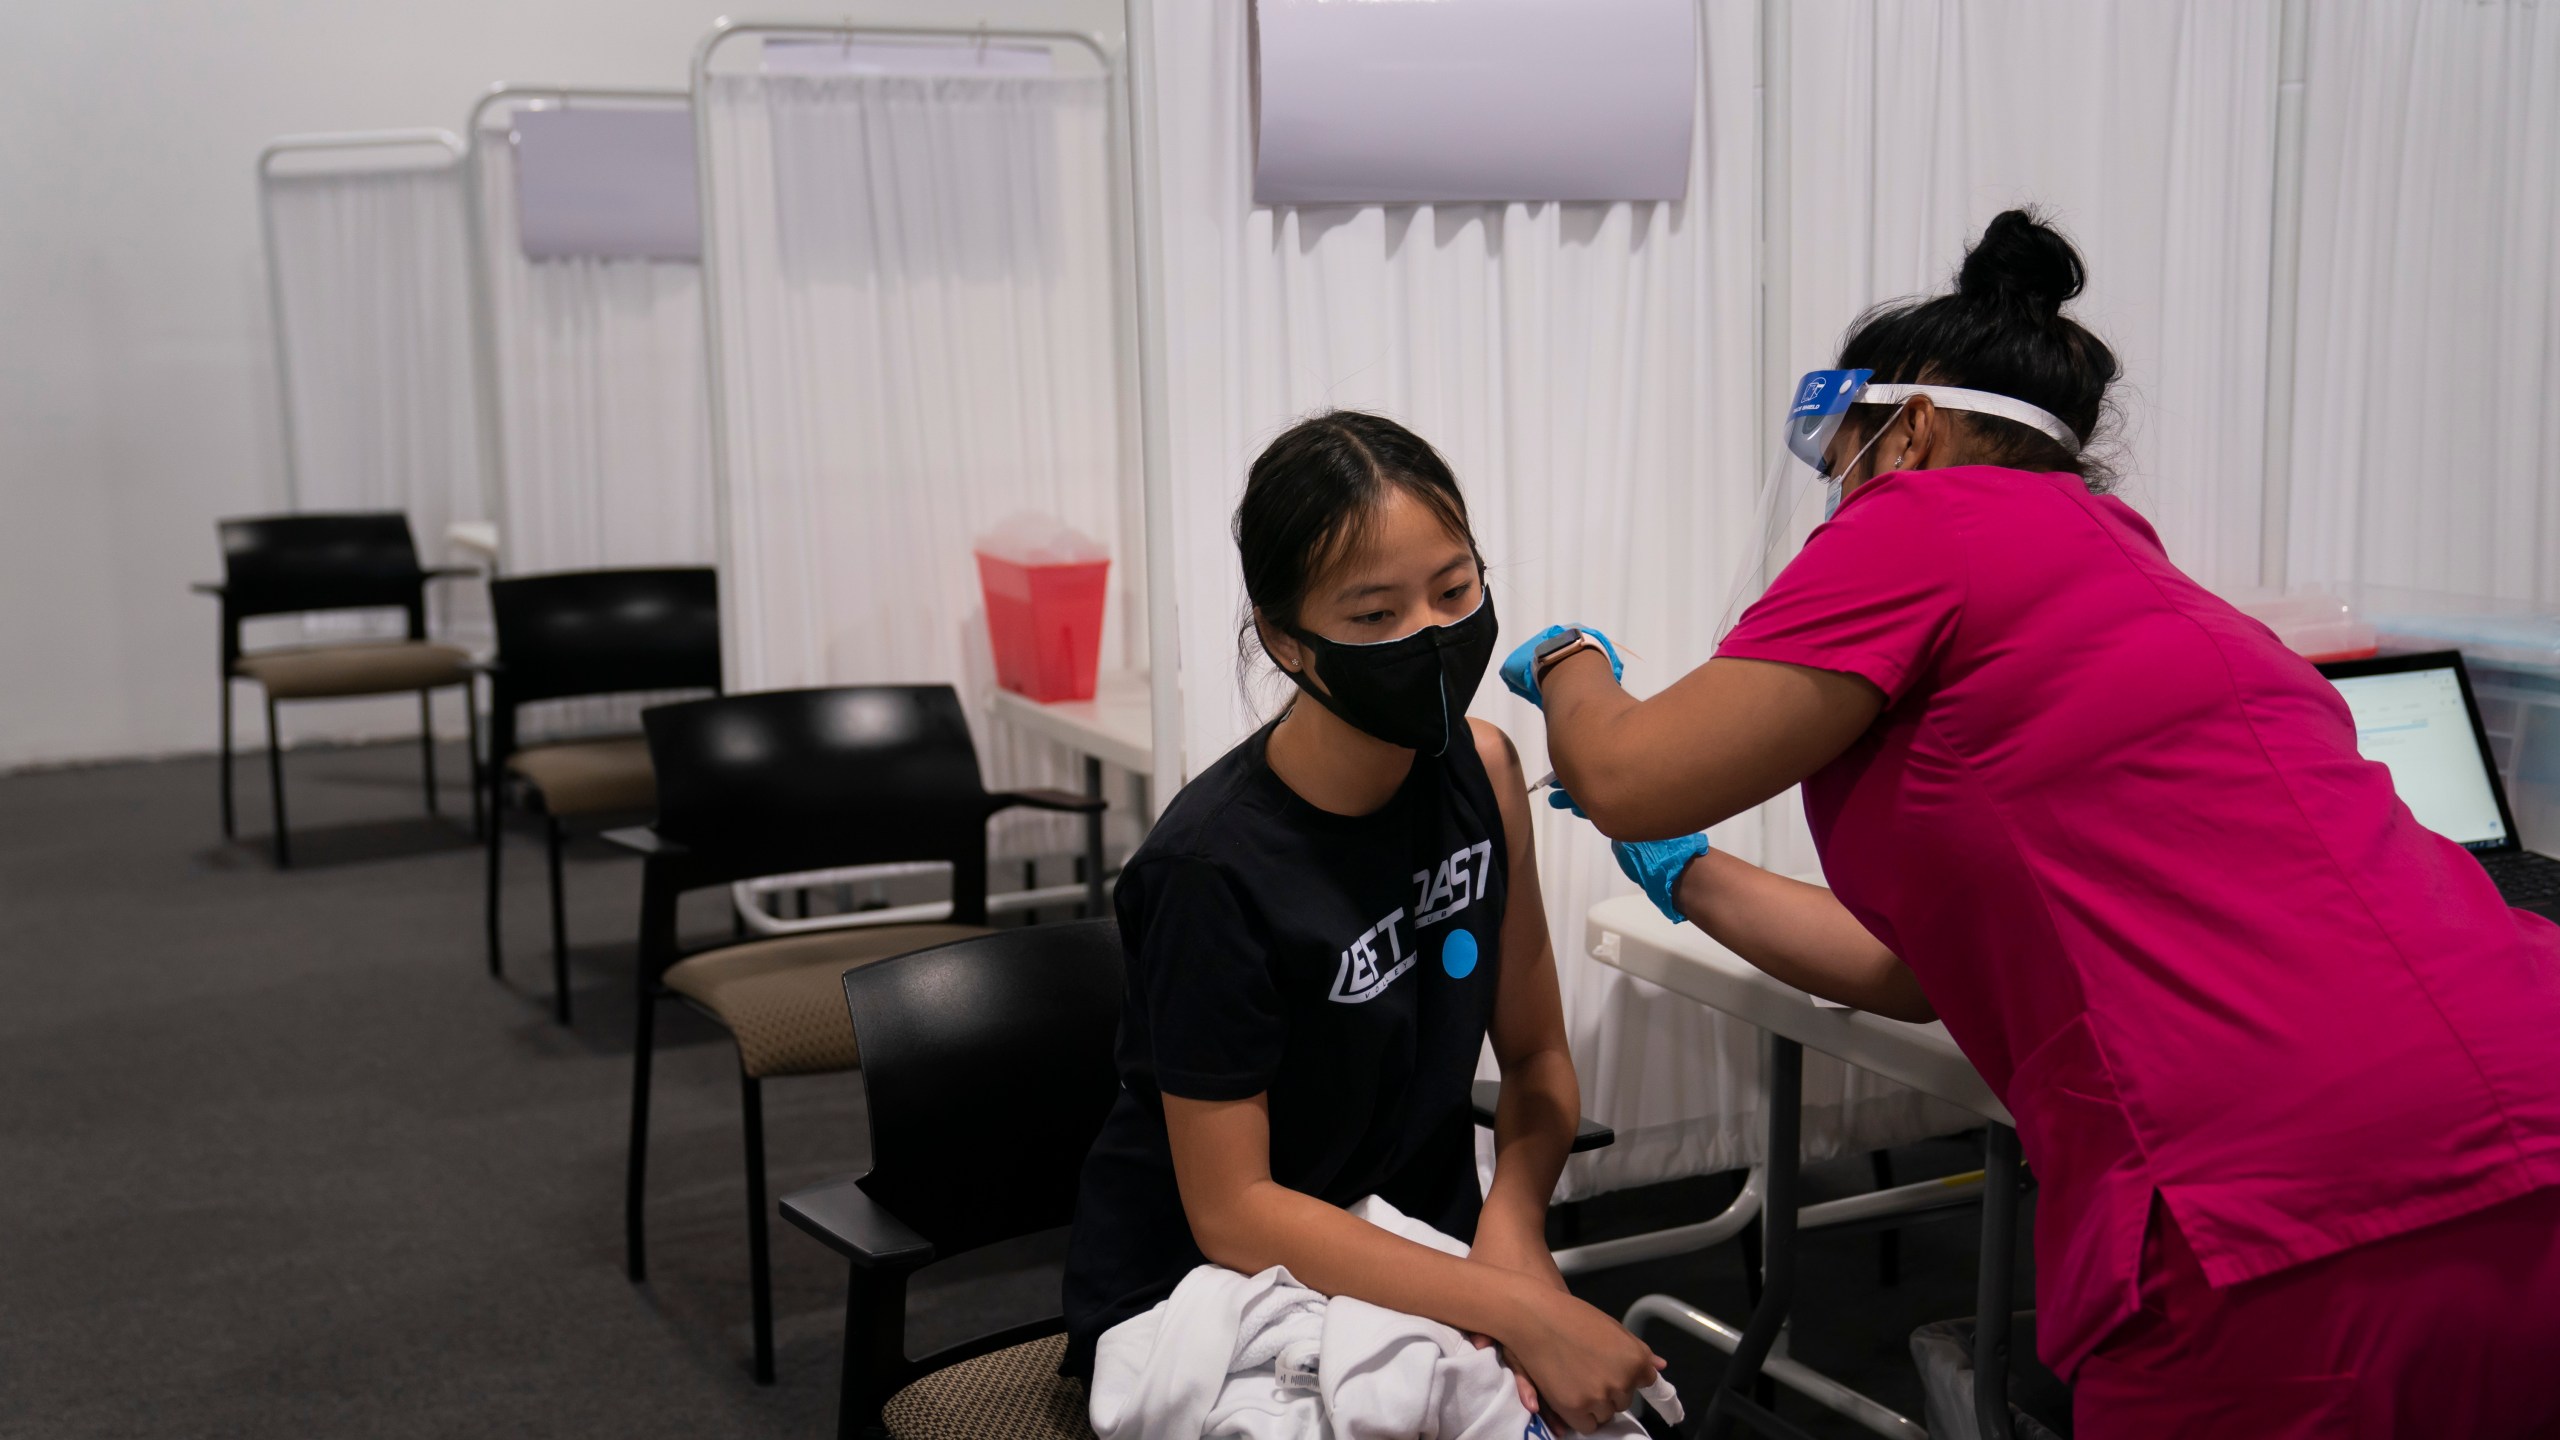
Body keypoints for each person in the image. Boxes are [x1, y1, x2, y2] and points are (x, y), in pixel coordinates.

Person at [1509, 211, 2560, 1437]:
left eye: (1836, 461)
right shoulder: (2147, 581)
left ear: (1907, 426)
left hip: (2282, 1206)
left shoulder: (1921, 520)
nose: (1829, 505)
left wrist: (1573, 667)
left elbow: (1631, 771)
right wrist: (1686, 877)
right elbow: (1912, 972)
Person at [1059, 410, 1664, 1433]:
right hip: (1213, 1286)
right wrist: (1508, 1301)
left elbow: (1538, 1063)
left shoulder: (1485, 769)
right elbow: (1230, 1208)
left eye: (1455, 590)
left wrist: (1511, 1241)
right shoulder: (1212, 869)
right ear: (1289, 642)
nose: (1429, 633)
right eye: (1374, 615)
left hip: (1426, 1250)